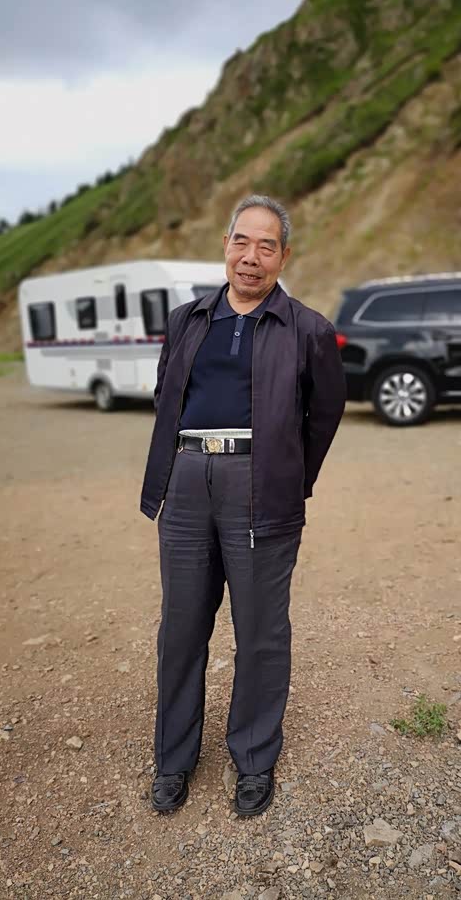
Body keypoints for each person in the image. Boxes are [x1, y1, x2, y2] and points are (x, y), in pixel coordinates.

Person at [139, 195, 346, 816]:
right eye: (241, 242)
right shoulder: (186, 320)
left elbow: (324, 415)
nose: (251, 257)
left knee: (259, 632)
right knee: (180, 628)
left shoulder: (307, 329)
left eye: (266, 246)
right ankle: (174, 759)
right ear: (226, 246)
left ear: (284, 256)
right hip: (186, 482)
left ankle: (254, 759)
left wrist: (286, 475)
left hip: (260, 485)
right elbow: (165, 394)